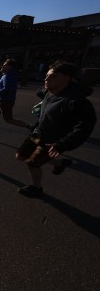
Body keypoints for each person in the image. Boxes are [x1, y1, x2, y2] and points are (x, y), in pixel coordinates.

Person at [15, 61, 97, 197]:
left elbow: (84, 127)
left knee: (32, 163)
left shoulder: (76, 101)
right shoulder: (49, 91)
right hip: (38, 133)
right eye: (46, 76)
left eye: (53, 76)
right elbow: (41, 91)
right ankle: (59, 163)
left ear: (68, 78)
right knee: (20, 156)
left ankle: (37, 188)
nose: (46, 79)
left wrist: (62, 145)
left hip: (52, 141)